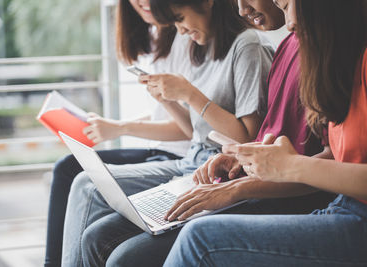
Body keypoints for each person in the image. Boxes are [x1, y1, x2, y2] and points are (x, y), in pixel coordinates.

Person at [105, 0, 336, 266]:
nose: (241, 10)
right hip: (239, 173)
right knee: (104, 228)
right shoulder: (287, 45)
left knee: (124, 255)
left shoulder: (257, 46)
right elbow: (265, 139)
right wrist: (239, 160)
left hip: (277, 191)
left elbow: (270, 145)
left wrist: (239, 185)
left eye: (285, 3)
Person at [61, 0, 274, 266]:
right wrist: (167, 100)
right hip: (194, 161)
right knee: (87, 194)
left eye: (180, 18)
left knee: (89, 189)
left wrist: (190, 94)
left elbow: (246, 140)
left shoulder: (248, 47)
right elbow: (194, 132)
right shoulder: (205, 47)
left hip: (215, 170)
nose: (181, 31)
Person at [164, 0, 367, 265]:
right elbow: (337, 159)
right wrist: (255, 165)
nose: (290, 23)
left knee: (198, 240)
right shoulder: (334, 59)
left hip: (355, 215)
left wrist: (290, 166)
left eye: (287, 6)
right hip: (343, 205)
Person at [43, 0, 194, 266]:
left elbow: (189, 127)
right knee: (67, 166)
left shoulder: (186, 36)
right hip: (159, 149)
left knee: (82, 181)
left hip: (177, 155)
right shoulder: (154, 37)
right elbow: (165, 114)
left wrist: (120, 128)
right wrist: (114, 124)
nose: (143, 3)